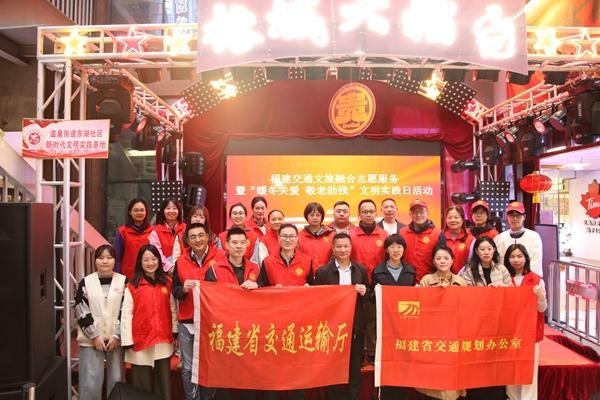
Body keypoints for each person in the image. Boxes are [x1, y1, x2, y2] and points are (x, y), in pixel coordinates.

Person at [172, 223, 228, 400]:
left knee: (210, 365)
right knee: (188, 367)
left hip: (212, 321)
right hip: (188, 320)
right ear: (188, 241)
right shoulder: (181, 261)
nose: (198, 240)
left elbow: (228, 287)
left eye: (201, 235)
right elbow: (175, 290)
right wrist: (184, 289)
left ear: (208, 237)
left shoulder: (221, 257)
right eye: (193, 237)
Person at [204, 227, 260, 400]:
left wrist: (258, 286)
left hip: (250, 331)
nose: (239, 246)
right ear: (226, 245)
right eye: (235, 243)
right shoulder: (214, 269)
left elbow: (266, 296)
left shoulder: (255, 268)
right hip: (226, 331)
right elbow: (209, 300)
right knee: (225, 377)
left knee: (249, 377)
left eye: (242, 242)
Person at [314, 233, 369, 400]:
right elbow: (317, 300)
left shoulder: (360, 269)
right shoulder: (323, 272)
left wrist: (365, 291)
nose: (342, 250)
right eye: (339, 246)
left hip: (354, 327)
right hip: (331, 328)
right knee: (332, 367)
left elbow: (367, 297)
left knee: (354, 368)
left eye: (346, 246)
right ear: (333, 248)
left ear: (351, 248)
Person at [121, 245, 178, 400]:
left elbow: (173, 309)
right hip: (140, 340)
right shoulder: (132, 286)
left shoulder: (167, 283)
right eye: (146, 260)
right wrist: (127, 340)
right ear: (140, 262)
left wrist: (175, 330)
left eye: (154, 259)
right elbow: (126, 315)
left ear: (159, 261)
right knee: (142, 384)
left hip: (162, 339)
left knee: (163, 382)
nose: (150, 263)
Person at [75, 244, 126, 400]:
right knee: (90, 381)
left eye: (109, 257)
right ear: (95, 260)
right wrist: (95, 336)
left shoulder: (124, 281)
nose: (105, 261)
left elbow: (125, 311)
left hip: (116, 339)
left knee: (117, 379)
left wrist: (116, 335)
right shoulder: (85, 282)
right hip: (90, 339)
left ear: (115, 260)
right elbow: (81, 310)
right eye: (101, 257)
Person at [371, 234, 416, 400]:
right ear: (386, 250)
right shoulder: (378, 271)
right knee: (387, 361)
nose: (396, 250)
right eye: (392, 247)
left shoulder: (411, 271)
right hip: (386, 324)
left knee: (403, 361)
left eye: (399, 247)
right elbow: (372, 298)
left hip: (406, 323)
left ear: (404, 249)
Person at [504, 244, 547, 400]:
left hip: (529, 333)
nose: (516, 260)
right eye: (512, 256)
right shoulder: (504, 278)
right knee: (511, 369)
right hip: (508, 333)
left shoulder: (536, 280)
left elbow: (542, 309)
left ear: (526, 258)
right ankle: (512, 397)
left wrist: (541, 296)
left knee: (529, 371)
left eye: (519, 256)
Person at [350, 199, 388, 364]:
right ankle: (357, 353)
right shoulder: (351, 235)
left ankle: (372, 352)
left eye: (371, 211)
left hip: (377, 283)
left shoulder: (384, 235)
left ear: (376, 213)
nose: (368, 214)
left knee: (374, 320)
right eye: (364, 212)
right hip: (356, 284)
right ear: (359, 214)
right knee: (356, 320)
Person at [399, 200, 445, 283]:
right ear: (410, 214)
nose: (418, 215)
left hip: (430, 281)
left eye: (421, 211)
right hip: (405, 280)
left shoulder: (437, 234)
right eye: (415, 212)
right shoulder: (402, 233)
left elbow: (443, 260)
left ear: (427, 213)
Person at [494, 201, 543, 277]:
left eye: (518, 215)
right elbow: (499, 262)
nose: (515, 219)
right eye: (511, 216)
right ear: (507, 217)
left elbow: (535, 263)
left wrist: (527, 279)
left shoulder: (533, 236)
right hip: (507, 279)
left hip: (528, 278)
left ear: (524, 217)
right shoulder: (500, 238)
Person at [114, 198, 153, 279]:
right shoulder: (122, 232)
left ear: (146, 212)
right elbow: (117, 258)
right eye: (136, 210)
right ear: (130, 212)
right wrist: (118, 277)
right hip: (128, 277)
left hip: (149, 276)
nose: (139, 213)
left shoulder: (153, 231)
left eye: (142, 210)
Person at [150, 198, 186, 274]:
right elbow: (157, 252)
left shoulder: (186, 228)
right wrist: (170, 268)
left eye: (174, 208)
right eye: (168, 208)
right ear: (163, 211)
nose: (171, 211)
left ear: (179, 211)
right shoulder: (156, 231)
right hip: (163, 272)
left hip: (185, 269)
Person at [298, 202, 333, 273]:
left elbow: (335, 256)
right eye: (312, 215)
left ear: (322, 217)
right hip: (306, 274)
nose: (315, 217)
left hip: (327, 274)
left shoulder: (331, 234)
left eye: (318, 215)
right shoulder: (299, 236)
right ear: (306, 216)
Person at [443, 206, 475, 274]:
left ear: (462, 220)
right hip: (443, 278)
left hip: (464, 278)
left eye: (456, 217)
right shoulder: (440, 237)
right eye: (450, 217)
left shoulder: (471, 239)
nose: (453, 220)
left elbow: (472, 263)